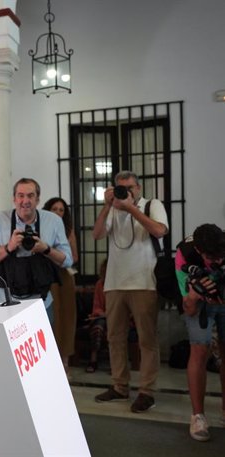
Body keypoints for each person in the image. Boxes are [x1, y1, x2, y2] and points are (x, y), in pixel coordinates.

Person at [92, 170, 169, 413]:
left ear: (139, 188)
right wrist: (107, 206)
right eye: (120, 188)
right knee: (114, 338)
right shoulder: (113, 209)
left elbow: (159, 231)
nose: (126, 191)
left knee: (147, 340)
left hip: (144, 282)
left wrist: (131, 208)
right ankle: (120, 386)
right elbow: (96, 235)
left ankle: (146, 391)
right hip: (114, 283)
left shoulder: (152, 205)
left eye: (130, 187)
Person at [0, 178, 73, 322]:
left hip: (41, 302)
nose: (25, 201)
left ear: (38, 199)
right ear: (14, 199)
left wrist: (46, 249)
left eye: (30, 196)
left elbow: (67, 261)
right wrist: (9, 247)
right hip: (5, 303)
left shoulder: (53, 221)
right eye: (20, 195)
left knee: (43, 344)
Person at [174, 223, 225, 441]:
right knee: (199, 349)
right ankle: (198, 416)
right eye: (212, 258)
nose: (218, 261)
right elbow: (189, 308)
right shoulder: (184, 256)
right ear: (199, 251)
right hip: (199, 303)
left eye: (221, 256)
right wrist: (195, 293)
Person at [43, 197, 79, 375]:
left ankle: (64, 360)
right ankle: (48, 360)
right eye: (54, 209)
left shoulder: (68, 230)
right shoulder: (40, 226)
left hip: (64, 275)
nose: (57, 213)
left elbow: (74, 257)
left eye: (61, 210)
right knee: (50, 315)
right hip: (44, 274)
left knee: (65, 316)